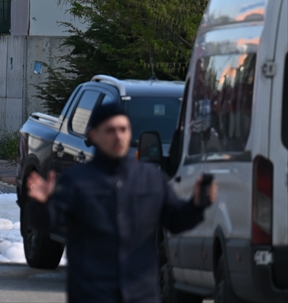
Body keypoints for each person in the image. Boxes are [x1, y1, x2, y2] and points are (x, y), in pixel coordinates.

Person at [26, 101, 216, 303]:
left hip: (141, 294)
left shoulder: (150, 178)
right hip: (92, 294)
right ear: (94, 135)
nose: (118, 136)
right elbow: (48, 222)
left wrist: (196, 204)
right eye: (110, 130)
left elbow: (176, 221)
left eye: (123, 129)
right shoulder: (77, 181)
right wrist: (42, 204)